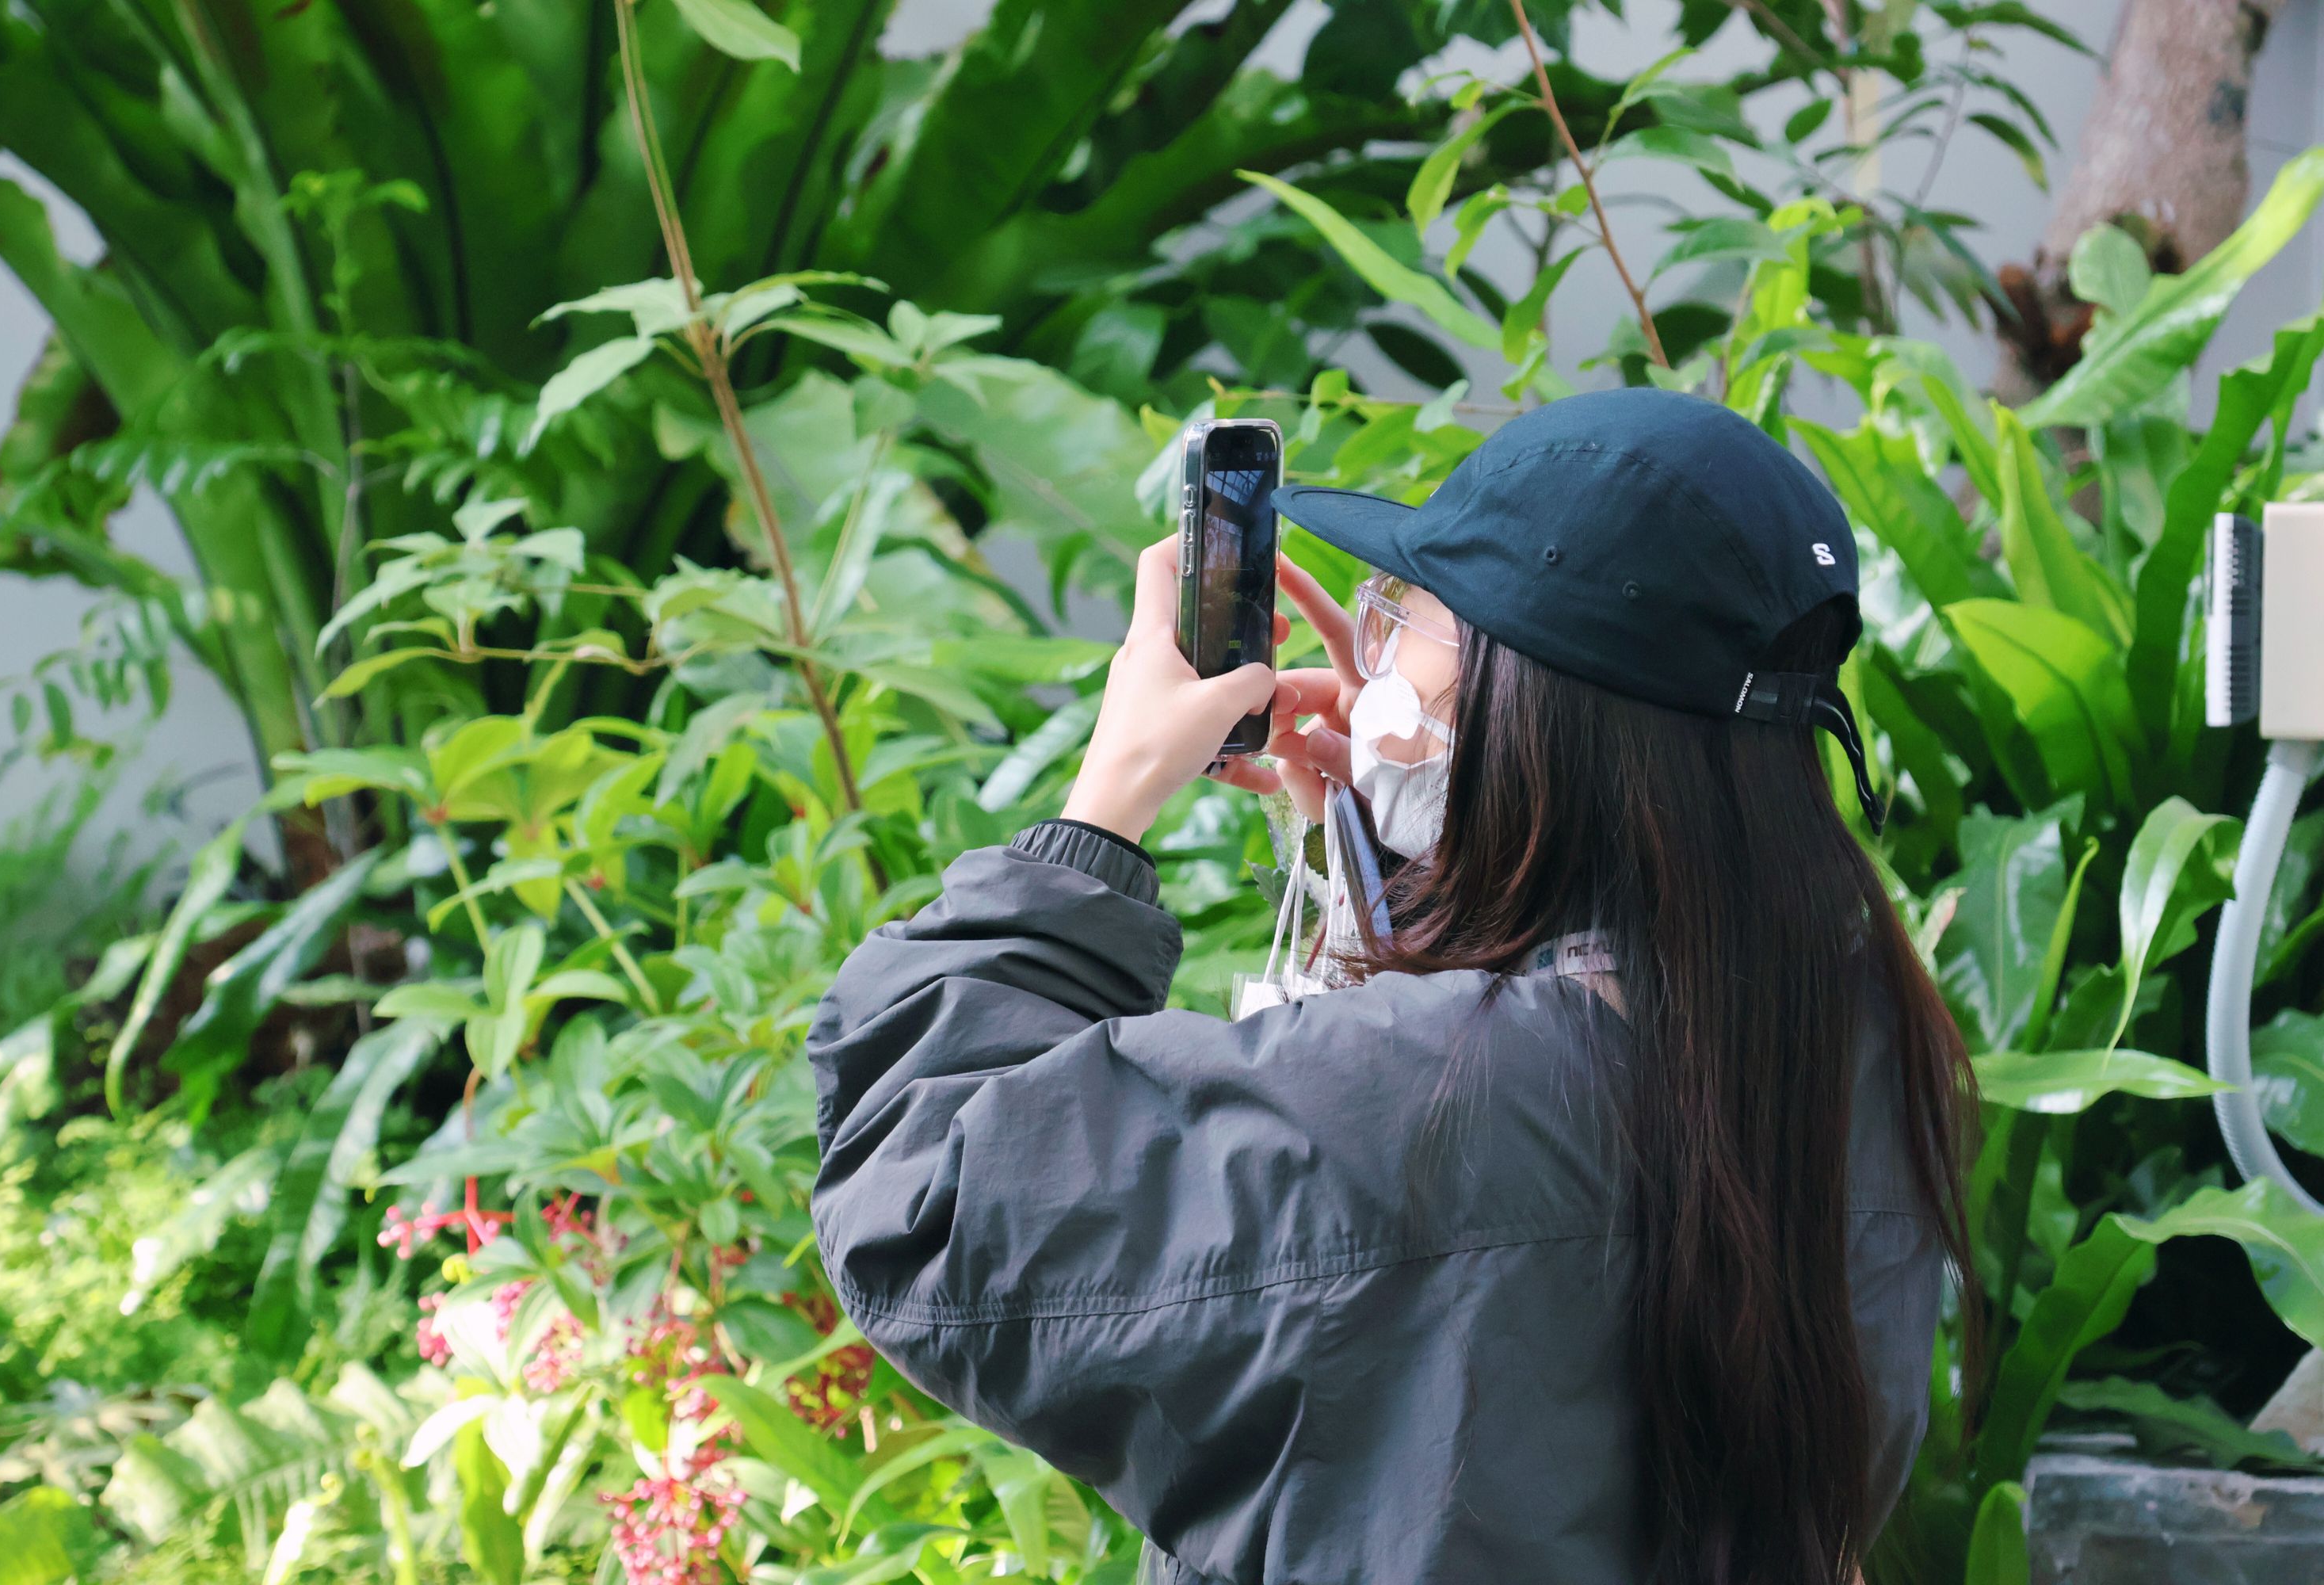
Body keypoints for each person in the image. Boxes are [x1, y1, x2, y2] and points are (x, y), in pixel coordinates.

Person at [806, 388, 1979, 1585]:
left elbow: (923, 1204)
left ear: (1527, 704)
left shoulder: (1398, 1112)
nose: (1374, 652)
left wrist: (1105, 804)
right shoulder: (1859, 1042)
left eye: (1408, 611)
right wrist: (1396, 862)